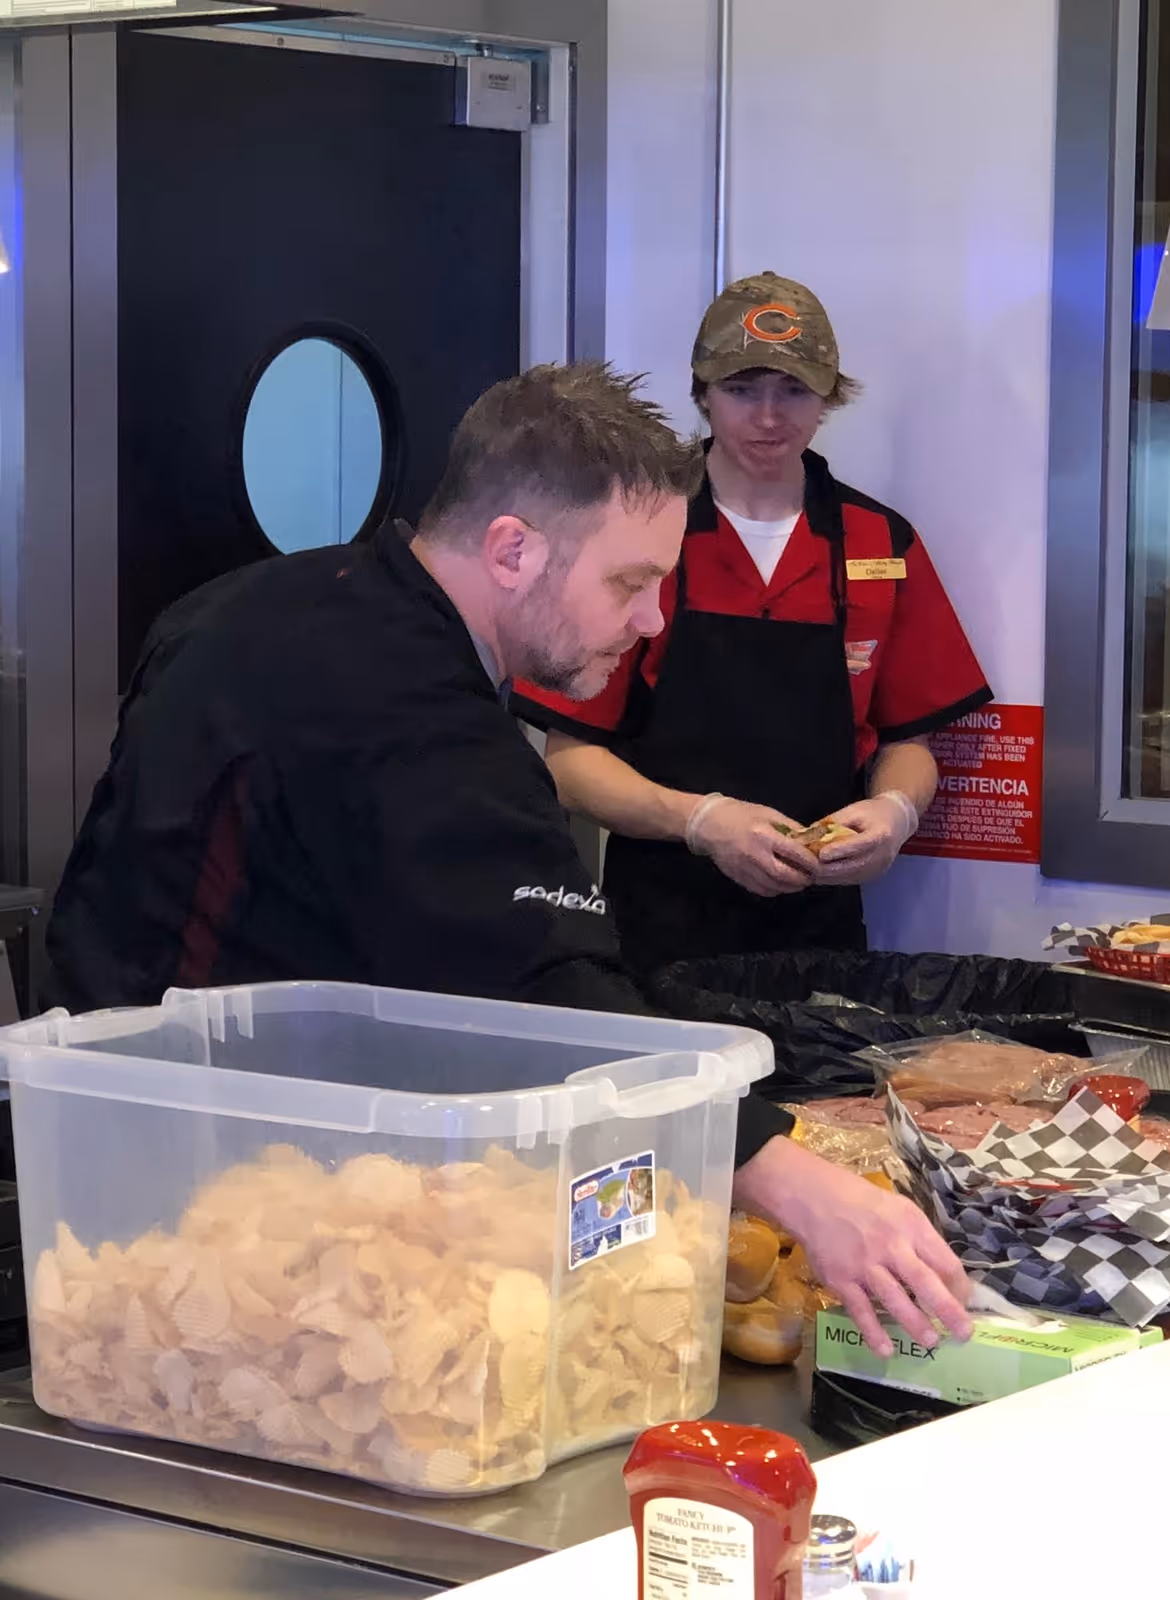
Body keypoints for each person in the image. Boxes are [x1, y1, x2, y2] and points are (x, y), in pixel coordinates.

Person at [43, 360, 970, 1358]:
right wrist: (787, 1174)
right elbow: (552, 989)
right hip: (236, 1236)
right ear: (513, 549)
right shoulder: (418, 717)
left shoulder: (244, 607)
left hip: (124, 1158)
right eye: (631, 583)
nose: (652, 620)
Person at [512, 274, 993, 975]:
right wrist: (701, 822)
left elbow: (908, 738)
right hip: (659, 932)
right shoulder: (634, 535)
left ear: (828, 398)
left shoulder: (878, 543)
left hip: (821, 938)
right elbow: (568, 761)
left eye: (794, 391)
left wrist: (896, 811)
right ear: (702, 392)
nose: (769, 417)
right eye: (743, 390)